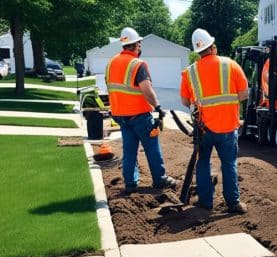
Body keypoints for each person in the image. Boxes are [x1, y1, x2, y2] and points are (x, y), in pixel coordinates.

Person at [180, 28, 250, 214]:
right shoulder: (231, 65)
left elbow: (185, 101)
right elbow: (243, 95)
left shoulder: (189, 72)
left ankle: (205, 202)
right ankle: (233, 203)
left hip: (203, 128)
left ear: (197, 52)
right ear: (214, 48)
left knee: (203, 162)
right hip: (228, 127)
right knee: (229, 164)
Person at [107, 27, 177, 194]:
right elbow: (146, 90)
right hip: (139, 115)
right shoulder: (138, 64)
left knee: (129, 149)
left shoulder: (111, 63)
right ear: (136, 44)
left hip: (120, 115)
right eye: (139, 43)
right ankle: (160, 179)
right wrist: (158, 107)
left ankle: (130, 183)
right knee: (152, 146)